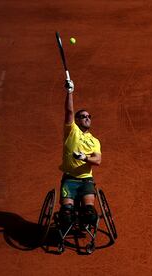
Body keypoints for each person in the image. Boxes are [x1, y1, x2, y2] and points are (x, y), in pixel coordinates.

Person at [58, 79, 102, 228]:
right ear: (76, 120)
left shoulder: (95, 141)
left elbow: (97, 160)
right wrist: (70, 92)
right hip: (69, 180)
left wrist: (84, 157)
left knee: (89, 213)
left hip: (86, 181)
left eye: (89, 116)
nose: (87, 118)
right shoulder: (71, 131)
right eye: (83, 116)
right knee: (66, 214)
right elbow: (69, 111)